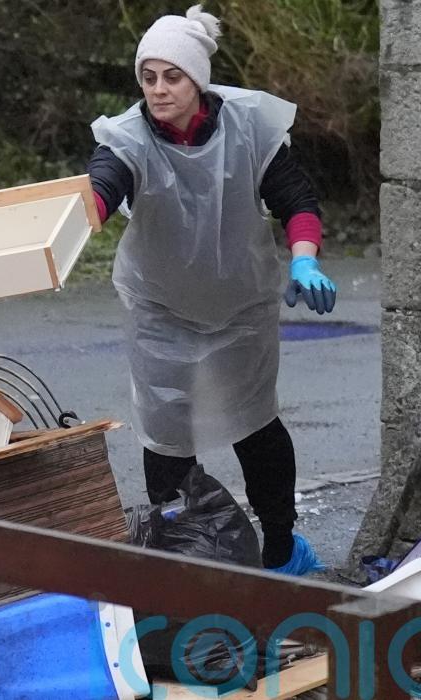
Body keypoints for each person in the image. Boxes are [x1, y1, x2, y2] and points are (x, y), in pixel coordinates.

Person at [88, 5, 337, 575]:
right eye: (148, 77)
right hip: (161, 308)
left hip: (240, 303)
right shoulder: (126, 137)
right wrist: (79, 219)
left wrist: (304, 259)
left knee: (255, 424)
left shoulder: (248, 125)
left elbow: (296, 199)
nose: (158, 89)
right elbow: (103, 184)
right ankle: (185, 560)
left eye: (171, 77)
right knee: (166, 436)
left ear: (197, 80)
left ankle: (282, 550)